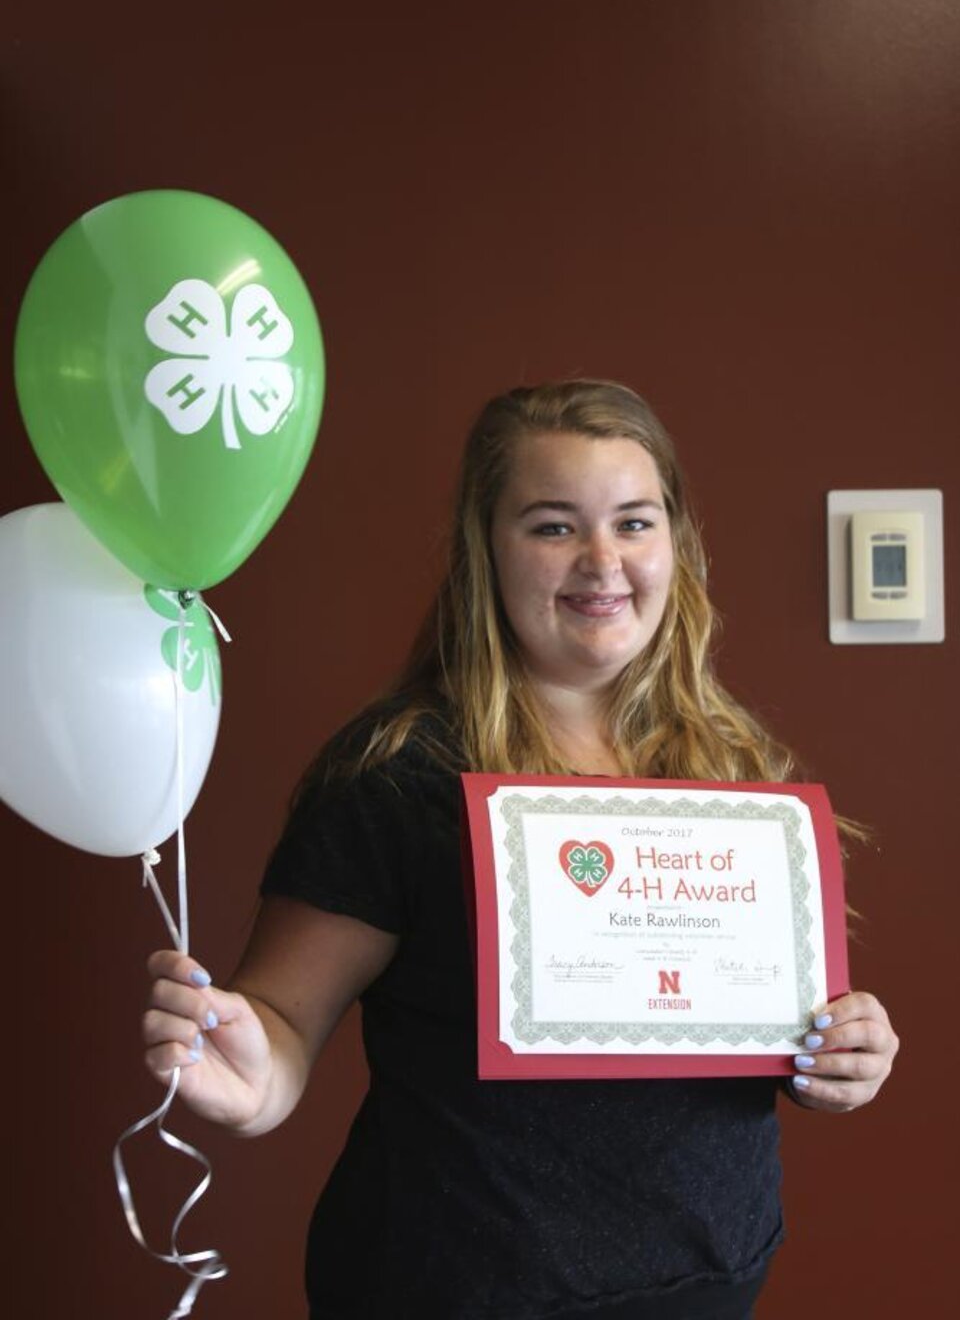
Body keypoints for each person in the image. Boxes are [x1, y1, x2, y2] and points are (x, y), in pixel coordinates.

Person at [144, 381, 898, 1319]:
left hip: (709, 1288)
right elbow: (283, 1030)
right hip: (457, 1293)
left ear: (676, 543)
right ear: (485, 550)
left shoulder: (732, 768)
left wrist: (842, 1054)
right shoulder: (398, 772)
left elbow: (767, 1027)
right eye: (552, 526)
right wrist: (251, 1075)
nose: (602, 561)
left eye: (633, 521)